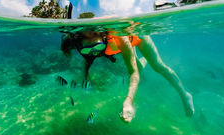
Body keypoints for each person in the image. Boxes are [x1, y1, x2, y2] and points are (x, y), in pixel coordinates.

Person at [61, 30, 194, 123]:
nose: (94, 53)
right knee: (138, 67)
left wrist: (128, 101)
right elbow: (85, 58)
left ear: (104, 38)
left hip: (137, 36)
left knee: (157, 66)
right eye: (88, 49)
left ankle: (185, 94)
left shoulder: (119, 37)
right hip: (120, 44)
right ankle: (142, 62)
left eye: (97, 47)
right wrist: (85, 75)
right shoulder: (76, 40)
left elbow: (133, 73)